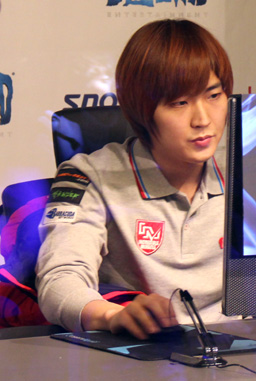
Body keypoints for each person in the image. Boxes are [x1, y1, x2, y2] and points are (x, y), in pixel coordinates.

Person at [35, 19, 233, 340]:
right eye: (180, 102)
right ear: (141, 109)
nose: (203, 119)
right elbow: (59, 281)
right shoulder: (89, 175)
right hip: (141, 350)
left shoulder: (248, 166)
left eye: (213, 95)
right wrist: (114, 316)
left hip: (248, 347)